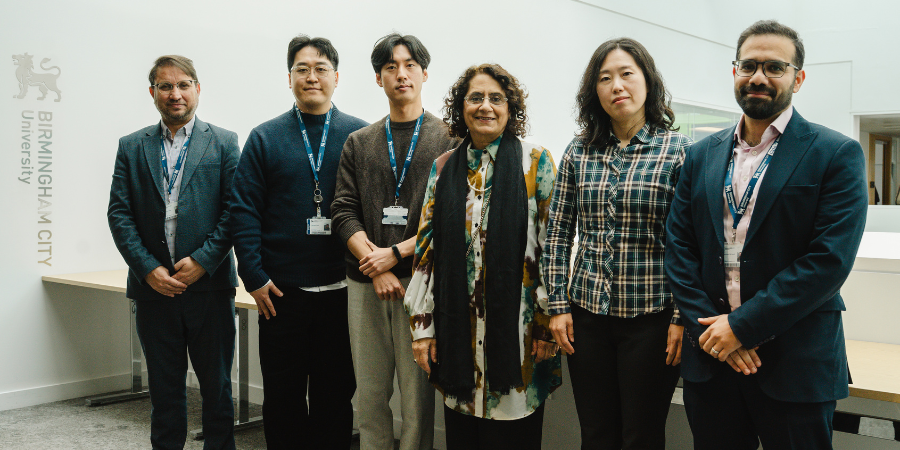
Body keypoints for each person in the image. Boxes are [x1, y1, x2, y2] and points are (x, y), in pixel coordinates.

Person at [665, 20, 868, 450]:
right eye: (749, 65)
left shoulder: (835, 153)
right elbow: (680, 248)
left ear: (799, 77)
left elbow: (828, 261)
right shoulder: (700, 154)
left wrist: (741, 327)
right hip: (712, 359)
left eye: (775, 67)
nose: (759, 77)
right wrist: (715, 333)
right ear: (734, 72)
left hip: (795, 363)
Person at [541, 38, 691, 450]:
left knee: (641, 435)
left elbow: (689, 243)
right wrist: (557, 305)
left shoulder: (679, 152)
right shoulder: (578, 151)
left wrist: (680, 316)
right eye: (605, 78)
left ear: (648, 82)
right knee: (596, 432)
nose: (616, 86)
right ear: (595, 91)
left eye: (627, 74)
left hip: (652, 317)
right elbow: (557, 233)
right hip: (586, 316)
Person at [405, 63, 561, 450]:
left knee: (513, 437)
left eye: (496, 98)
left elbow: (552, 247)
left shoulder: (536, 163)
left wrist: (545, 321)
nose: (486, 106)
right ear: (461, 107)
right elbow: (426, 252)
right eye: (476, 97)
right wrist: (423, 329)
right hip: (458, 336)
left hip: (521, 335)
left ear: (511, 108)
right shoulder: (443, 168)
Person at [229, 35, 367, 449]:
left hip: (343, 292)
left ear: (336, 78)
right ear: (289, 77)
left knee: (335, 397)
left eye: (321, 69)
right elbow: (243, 210)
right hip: (280, 293)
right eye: (302, 69)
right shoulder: (265, 137)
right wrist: (252, 275)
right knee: (283, 399)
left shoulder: (359, 135)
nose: (312, 77)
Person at [331, 33, 457, 450]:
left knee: (418, 397)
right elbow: (342, 211)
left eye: (408, 65)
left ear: (424, 73)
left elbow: (452, 220)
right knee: (368, 395)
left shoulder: (451, 140)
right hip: (364, 285)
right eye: (390, 67)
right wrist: (375, 263)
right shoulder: (360, 141)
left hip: (421, 285)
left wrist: (396, 255)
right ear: (379, 78)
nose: (400, 74)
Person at [107, 55, 239, 450]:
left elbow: (236, 211)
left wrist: (203, 261)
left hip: (210, 288)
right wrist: (148, 270)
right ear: (153, 93)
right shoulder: (131, 146)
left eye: (183, 85)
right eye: (165, 86)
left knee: (216, 391)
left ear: (197, 89)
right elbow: (119, 213)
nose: (175, 94)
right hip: (154, 290)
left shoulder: (225, 141)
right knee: (164, 394)